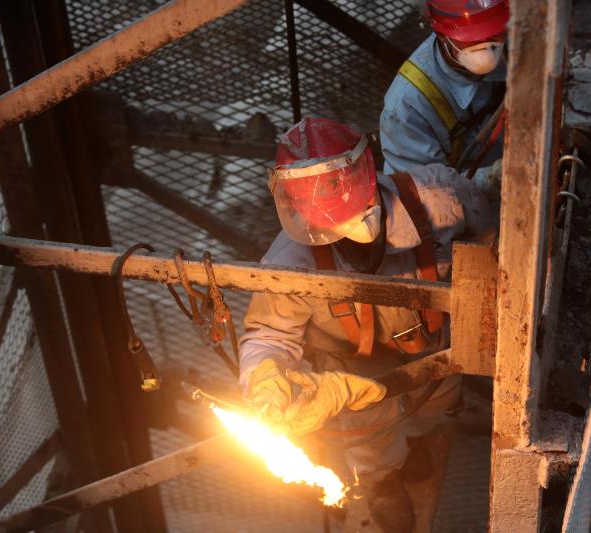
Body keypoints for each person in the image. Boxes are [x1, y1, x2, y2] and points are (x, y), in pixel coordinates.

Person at [239, 117, 493, 532]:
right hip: (352, 368)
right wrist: (263, 374)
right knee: (370, 440)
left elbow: (492, 243)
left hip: (434, 348)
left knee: (433, 407)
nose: (341, 234)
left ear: (366, 178)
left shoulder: (440, 199)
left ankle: (416, 441)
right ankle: (383, 482)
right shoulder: (290, 261)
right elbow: (269, 334)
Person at [380, 0, 509, 174]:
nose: (486, 45)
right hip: (454, 187)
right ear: (441, 36)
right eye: (471, 38)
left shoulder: (516, 38)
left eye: (493, 32)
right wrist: (495, 177)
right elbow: (429, 187)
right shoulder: (406, 107)